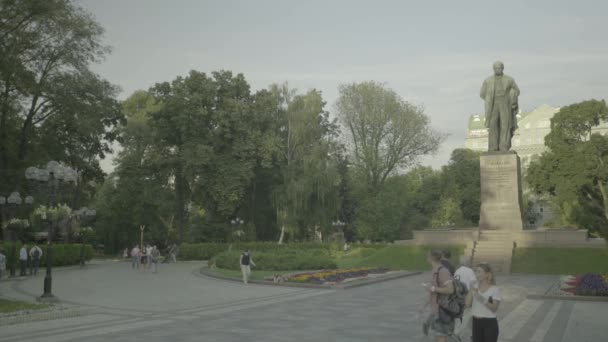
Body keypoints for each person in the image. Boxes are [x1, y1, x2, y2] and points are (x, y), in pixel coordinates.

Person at [480, 61, 521, 152]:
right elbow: (482, 93)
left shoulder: (509, 79)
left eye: (499, 68)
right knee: (493, 124)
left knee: (505, 125)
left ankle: (504, 147)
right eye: (496, 68)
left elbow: (517, 91)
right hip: (493, 104)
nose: (498, 69)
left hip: (505, 103)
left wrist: (512, 95)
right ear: (493, 69)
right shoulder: (488, 80)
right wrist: (489, 99)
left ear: (502, 68)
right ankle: (493, 147)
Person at [419, 250, 456, 342]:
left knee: (440, 337)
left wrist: (432, 288)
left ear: (431, 258)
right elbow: (433, 291)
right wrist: (424, 305)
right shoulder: (434, 271)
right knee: (438, 337)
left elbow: (450, 289)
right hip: (436, 310)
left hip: (443, 310)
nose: (427, 258)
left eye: (428, 256)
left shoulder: (443, 271)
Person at [466, 263, 501, 342]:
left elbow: (494, 308)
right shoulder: (474, 287)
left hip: (489, 323)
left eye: (479, 272)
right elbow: (467, 304)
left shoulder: (494, 289)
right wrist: (471, 289)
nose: (476, 274)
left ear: (487, 274)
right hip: (476, 322)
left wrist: (481, 298)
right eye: (476, 271)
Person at [454, 255, 477, 339]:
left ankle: (474, 334)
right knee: (467, 316)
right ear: (467, 262)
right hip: (468, 297)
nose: (471, 262)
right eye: (470, 261)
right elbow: (474, 284)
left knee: (462, 317)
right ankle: (457, 334)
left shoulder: (457, 271)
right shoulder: (470, 271)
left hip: (458, 297)